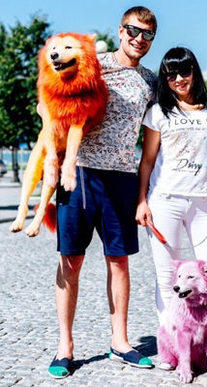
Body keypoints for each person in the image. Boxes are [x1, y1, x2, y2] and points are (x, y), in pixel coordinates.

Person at [48, 6, 158, 378]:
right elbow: (52, 99)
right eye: (133, 30)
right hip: (77, 174)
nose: (138, 39)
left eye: (146, 35)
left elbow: (171, 123)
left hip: (123, 178)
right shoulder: (93, 64)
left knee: (119, 261)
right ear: (120, 29)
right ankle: (65, 347)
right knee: (70, 260)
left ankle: (120, 342)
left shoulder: (151, 82)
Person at [135, 47, 207, 368]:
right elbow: (147, 161)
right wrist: (142, 201)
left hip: (205, 203)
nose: (179, 79)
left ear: (195, 71)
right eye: (171, 74)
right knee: (167, 276)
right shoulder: (158, 112)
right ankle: (171, 348)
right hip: (165, 201)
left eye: (185, 71)